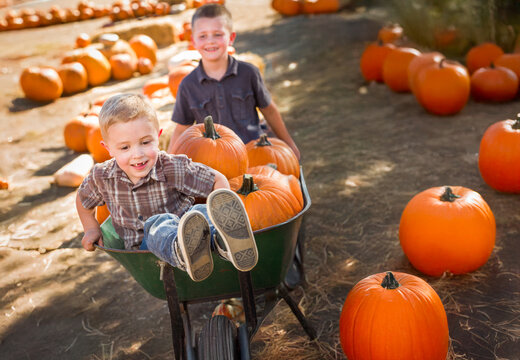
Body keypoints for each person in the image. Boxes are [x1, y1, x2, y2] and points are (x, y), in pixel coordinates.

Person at [76, 93, 258, 282]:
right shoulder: (102, 176)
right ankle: (181, 251)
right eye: (125, 148)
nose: (137, 154)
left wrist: (223, 206)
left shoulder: (171, 166)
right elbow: (83, 201)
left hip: (192, 231)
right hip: (148, 246)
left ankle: (222, 242)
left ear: (158, 136)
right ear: (108, 149)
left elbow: (216, 179)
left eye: (145, 142)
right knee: (157, 223)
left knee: (200, 210)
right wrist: (91, 229)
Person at [167, 3, 300, 159]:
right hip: (216, 160)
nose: (210, 41)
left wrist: (289, 143)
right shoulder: (188, 85)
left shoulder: (248, 73)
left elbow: (269, 109)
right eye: (203, 36)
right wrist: (168, 161)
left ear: (231, 38)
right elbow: (181, 129)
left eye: (218, 34)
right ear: (193, 42)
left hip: (254, 152)